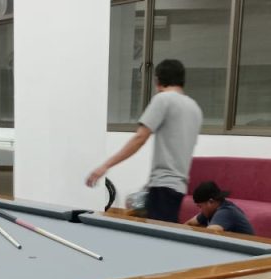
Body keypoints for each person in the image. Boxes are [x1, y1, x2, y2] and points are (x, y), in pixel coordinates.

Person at [86, 58, 203, 223]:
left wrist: (105, 165)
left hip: (163, 185)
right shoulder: (194, 108)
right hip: (179, 187)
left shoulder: (163, 99)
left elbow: (140, 138)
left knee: (157, 235)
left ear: (158, 80)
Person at [185, 180, 255, 235]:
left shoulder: (226, 212)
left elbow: (208, 234)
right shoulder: (211, 210)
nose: (200, 210)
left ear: (210, 202)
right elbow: (189, 223)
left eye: (200, 206)